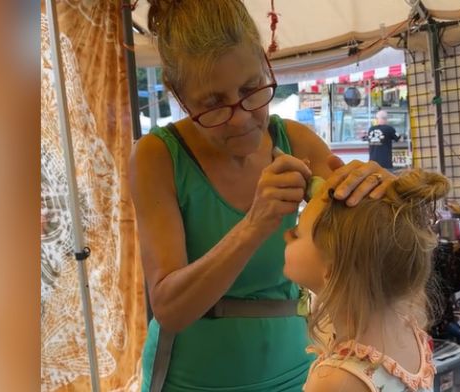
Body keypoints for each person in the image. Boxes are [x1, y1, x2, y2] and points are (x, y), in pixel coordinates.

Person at [128, 1, 394, 391]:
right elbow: (169, 308)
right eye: (213, 103)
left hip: (295, 369)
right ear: (180, 96)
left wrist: (377, 188)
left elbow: (371, 233)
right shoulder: (158, 156)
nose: (241, 118)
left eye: (251, 89)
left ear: (266, 64)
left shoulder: (294, 139)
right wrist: (254, 225)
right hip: (193, 380)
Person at [283, 168, 449, 392]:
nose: (286, 235)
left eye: (296, 232)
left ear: (333, 270)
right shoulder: (408, 327)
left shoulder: (336, 380)